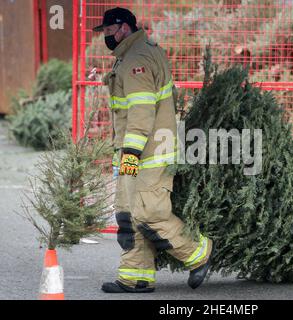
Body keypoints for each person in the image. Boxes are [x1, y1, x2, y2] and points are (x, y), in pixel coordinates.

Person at [93, 7, 213, 293]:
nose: (106, 37)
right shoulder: (133, 54)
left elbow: (141, 110)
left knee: (148, 212)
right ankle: (135, 276)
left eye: (109, 31)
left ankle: (199, 252)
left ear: (123, 28)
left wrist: (131, 154)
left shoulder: (137, 59)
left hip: (146, 154)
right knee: (127, 212)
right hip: (134, 152)